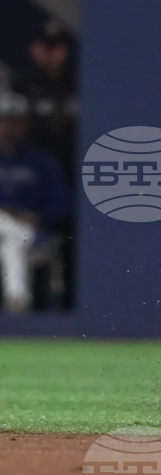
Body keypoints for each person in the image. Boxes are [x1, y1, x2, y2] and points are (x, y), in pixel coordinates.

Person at [0, 93, 70, 313]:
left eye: (16, 121)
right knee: (10, 236)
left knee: (11, 241)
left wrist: (39, 216)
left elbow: (61, 203)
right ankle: (18, 303)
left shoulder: (41, 162)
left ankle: (17, 303)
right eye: (4, 121)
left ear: (25, 125)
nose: (10, 127)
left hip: (31, 235)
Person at [15, 20, 78, 179]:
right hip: (35, 163)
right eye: (44, 47)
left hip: (73, 159)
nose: (50, 53)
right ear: (33, 49)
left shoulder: (78, 83)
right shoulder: (21, 84)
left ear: (65, 50)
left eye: (55, 47)